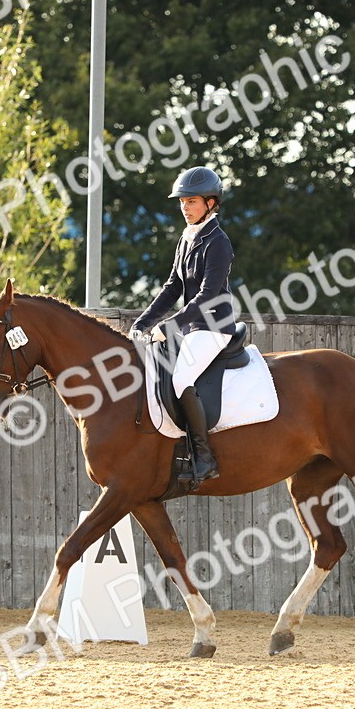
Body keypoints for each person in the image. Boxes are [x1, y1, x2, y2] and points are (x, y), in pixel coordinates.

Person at [129, 166, 235, 485]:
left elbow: (207, 294)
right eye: (182, 202)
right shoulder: (186, 240)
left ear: (211, 203)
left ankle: (204, 458)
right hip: (192, 328)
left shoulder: (219, 242)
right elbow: (172, 287)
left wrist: (171, 325)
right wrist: (143, 323)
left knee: (181, 377)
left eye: (191, 202)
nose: (185, 208)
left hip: (215, 327)